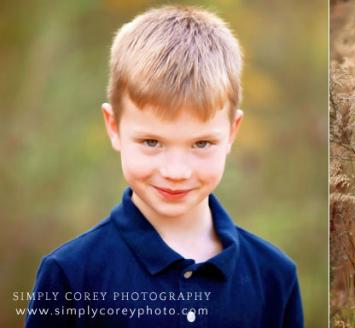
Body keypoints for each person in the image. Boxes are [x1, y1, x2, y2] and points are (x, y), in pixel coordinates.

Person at [25, 6, 303, 327]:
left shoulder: (274, 276)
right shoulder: (71, 274)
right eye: (152, 142)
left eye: (201, 144)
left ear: (232, 132)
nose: (176, 171)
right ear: (114, 127)